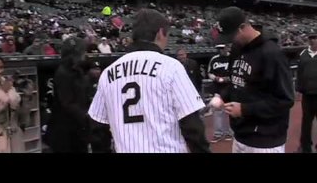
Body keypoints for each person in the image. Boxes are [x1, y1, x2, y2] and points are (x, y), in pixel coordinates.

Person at [88, 9, 210, 153]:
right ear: (160, 33)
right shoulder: (171, 67)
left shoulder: (108, 73)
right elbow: (192, 126)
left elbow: (97, 128)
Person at [212, 6, 294, 153]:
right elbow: (235, 80)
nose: (230, 42)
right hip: (240, 135)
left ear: (243, 27)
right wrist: (222, 96)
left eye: (232, 36)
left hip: (265, 140)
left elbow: (285, 100)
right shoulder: (237, 49)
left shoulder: (272, 53)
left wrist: (244, 109)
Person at [45, 37, 90, 153]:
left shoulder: (77, 71)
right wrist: (87, 117)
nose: (85, 54)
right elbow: (67, 103)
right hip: (64, 131)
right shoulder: (63, 73)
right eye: (83, 51)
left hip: (77, 128)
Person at [296, 32, 317, 153]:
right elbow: (299, 73)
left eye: (315, 38)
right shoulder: (303, 54)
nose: (313, 40)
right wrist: (298, 89)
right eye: (311, 38)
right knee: (306, 122)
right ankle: (305, 147)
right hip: (307, 95)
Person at [0, 55, 23, 153]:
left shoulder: (5, 81)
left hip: (12, 131)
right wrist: (3, 92)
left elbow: (15, 102)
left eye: (1, 67)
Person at [207, 44, 233, 143]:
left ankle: (229, 132)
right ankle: (218, 133)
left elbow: (237, 71)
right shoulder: (214, 59)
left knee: (229, 111)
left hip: (230, 89)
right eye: (220, 49)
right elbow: (209, 72)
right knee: (217, 111)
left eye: (223, 48)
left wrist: (228, 78)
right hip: (218, 90)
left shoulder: (232, 57)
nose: (222, 50)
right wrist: (215, 78)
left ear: (227, 47)